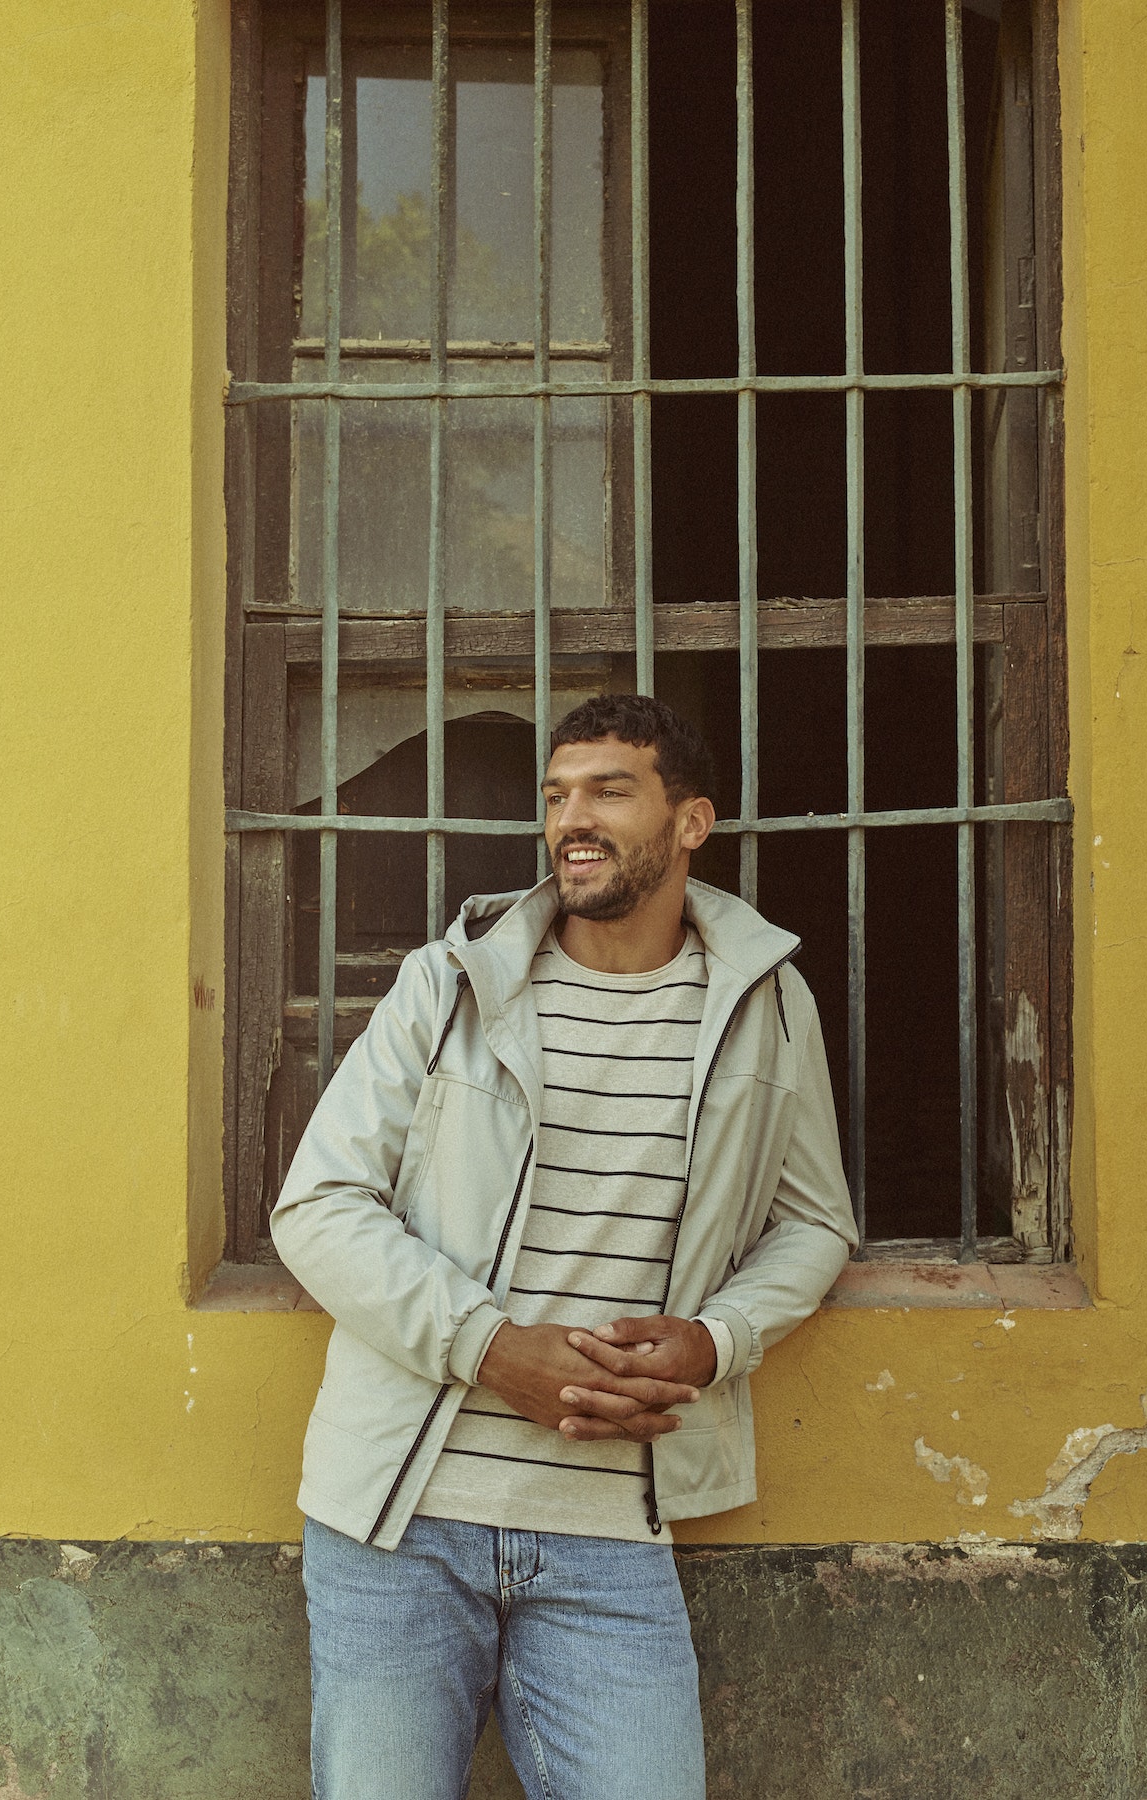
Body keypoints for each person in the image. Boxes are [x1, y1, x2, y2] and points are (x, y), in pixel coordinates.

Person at [271, 693, 857, 1800]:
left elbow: (815, 1223)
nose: (570, 820)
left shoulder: (767, 1002)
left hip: (614, 1533)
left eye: (608, 791)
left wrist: (717, 1340)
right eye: (556, 796)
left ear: (692, 821)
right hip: (399, 1520)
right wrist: (492, 1349)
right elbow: (318, 1204)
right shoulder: (448, 985)